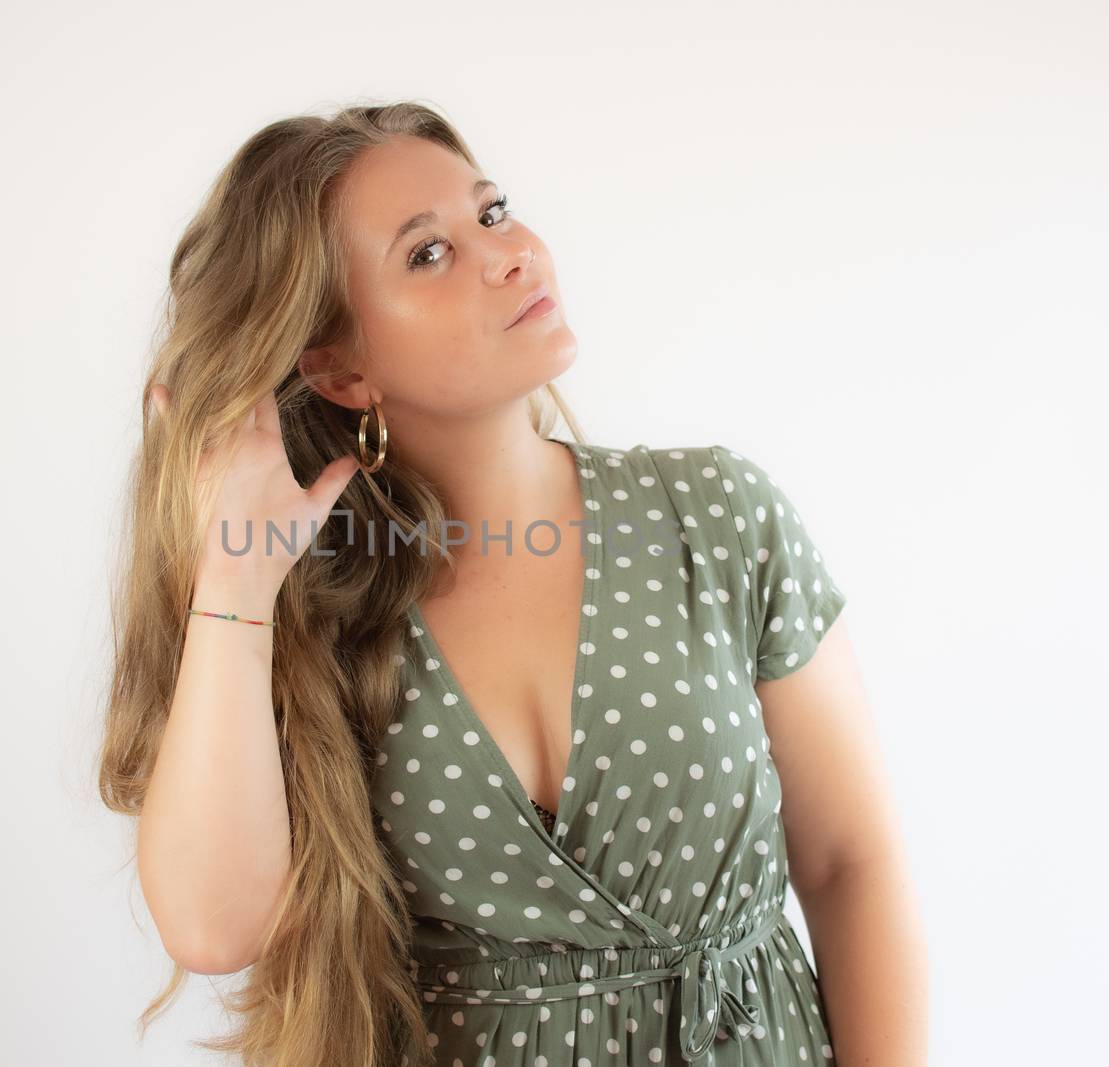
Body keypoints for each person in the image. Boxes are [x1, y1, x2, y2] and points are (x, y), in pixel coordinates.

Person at [99, 101, 927, 1066]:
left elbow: (847, 863)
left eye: (491, 213)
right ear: (338, 366)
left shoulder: (716, 515)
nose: (511, 253)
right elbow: (213, 931)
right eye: (427, 253)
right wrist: (235, 586)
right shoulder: (311, 599)